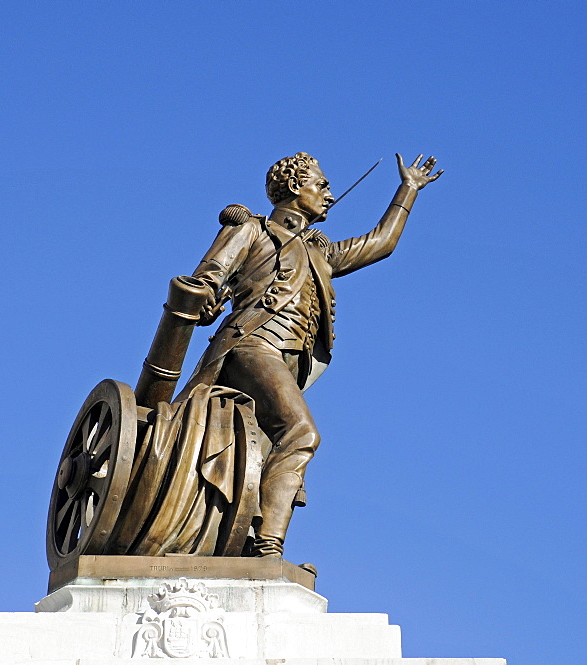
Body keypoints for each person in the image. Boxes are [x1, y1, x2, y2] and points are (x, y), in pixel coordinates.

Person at [180, 152, 442, 557]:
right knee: (302, 431)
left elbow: (381, 243)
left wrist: (407, 189)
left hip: (287, 363)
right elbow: (211, 273)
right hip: (251, 346)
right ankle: (270, 546)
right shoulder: (252, 230)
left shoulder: (321, 254)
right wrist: (208, 295)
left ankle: (245, 541)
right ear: (293, 187)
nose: (330, 195)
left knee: (261, 449)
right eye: (321, 185)